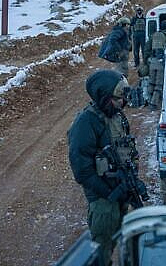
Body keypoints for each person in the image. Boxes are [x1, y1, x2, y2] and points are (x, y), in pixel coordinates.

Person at [67, 70, 142, 266]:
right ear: (104, 97)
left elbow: (127, 151)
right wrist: (109, 192)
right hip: (103, 200)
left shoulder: (117, 117)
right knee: (101, 252)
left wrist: (132, 181)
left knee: (121, 240)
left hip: (119, 193)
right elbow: (82, 171)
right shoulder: (86, 123)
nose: (122, 103)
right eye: (118, 99)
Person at [146, 20, 166, 110]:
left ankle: (148, 100)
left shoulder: (154, 35)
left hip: (152, 61)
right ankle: (154, 104)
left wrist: (146, 61)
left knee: (151, 82)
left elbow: (147, 48)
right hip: (161, 62)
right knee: (159, 84)